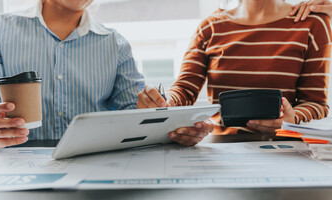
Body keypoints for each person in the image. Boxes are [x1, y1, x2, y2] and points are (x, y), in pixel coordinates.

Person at [138, 0, 331, 146]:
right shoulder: (210, 26)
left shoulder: (313, 24)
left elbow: (316, 103)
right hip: (220, 148)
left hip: (283, 147)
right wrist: (163, 102)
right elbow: (184, 90)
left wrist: (292, 119)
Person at [0, 0, 144, 149]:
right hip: (15, 165)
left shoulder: (116, 44)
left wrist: (153, 111)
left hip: (94, 165)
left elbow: (134, 111)